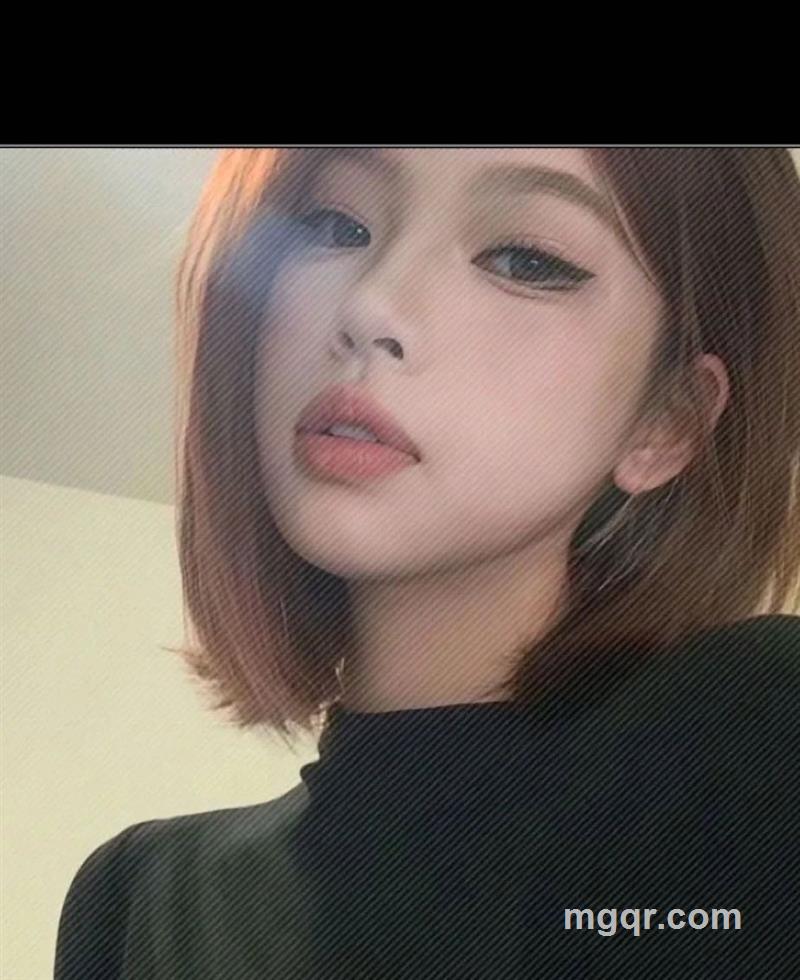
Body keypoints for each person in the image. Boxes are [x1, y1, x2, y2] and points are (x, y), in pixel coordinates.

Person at [54, 147, 800, 978]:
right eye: (335, 224)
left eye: (525, 260)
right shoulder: (138, 900)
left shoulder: (761, 737)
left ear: (667, 420)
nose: (370, 304)